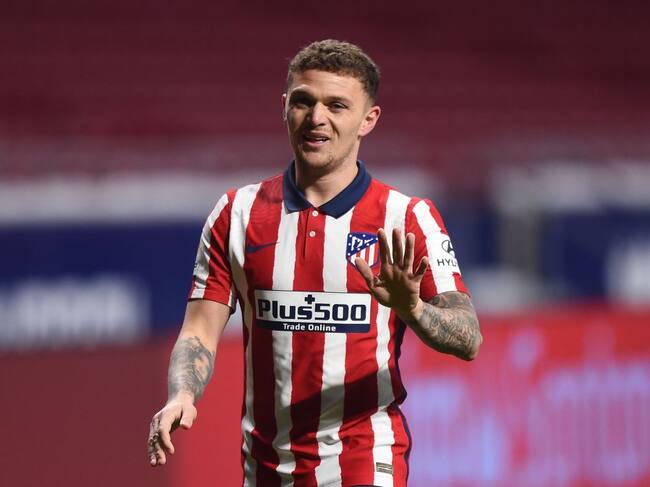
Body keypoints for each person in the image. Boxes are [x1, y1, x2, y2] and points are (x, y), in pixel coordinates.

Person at [147, 39, 482, 486]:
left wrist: (413, 308)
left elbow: (468, 338)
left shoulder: (407, 218)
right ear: (285, 107)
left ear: (368, 120)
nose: (316, 117)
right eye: (304, 101)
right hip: (265, 466)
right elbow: (198, 332)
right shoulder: (237, 214)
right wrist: (181, 394)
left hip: (364, 460)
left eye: (336, 106)